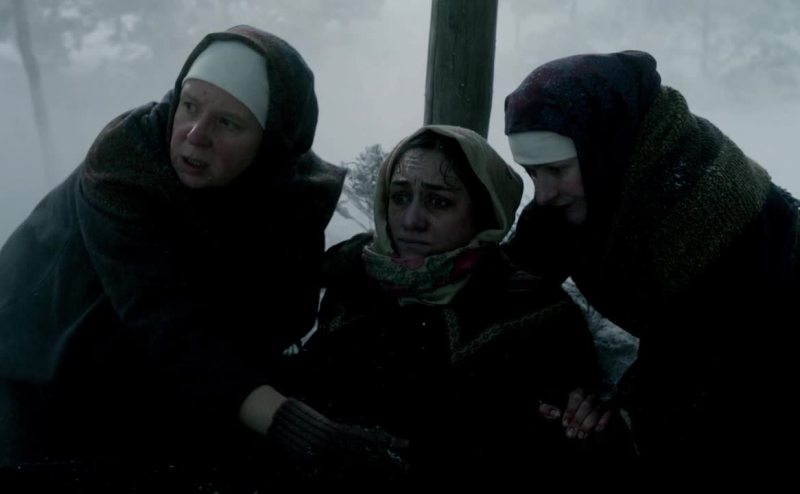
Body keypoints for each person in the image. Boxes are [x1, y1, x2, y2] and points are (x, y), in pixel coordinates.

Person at [0, 25, 357, 489]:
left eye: (227, 122)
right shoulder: (126, 162)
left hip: (156, 371)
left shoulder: (294, 192)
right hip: (41, 358)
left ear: (272, 141)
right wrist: (295, 426)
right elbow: (164, 322)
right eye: (189, 106)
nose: (195, 133)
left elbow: (283, 314)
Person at [266, 125, 629, 485]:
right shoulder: (353, 279)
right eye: (400, 197)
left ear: (484, 213)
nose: (411, 221)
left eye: (439, 202)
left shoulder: (534, 315)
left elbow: (556, 456)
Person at [503, 50, 800, 471]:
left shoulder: (704, 205)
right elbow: (516, 278)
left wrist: (617, 416)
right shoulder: (594, 177)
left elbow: (695, 356)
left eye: (555, 170)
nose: (544, 192)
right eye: (532, 173)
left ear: (600, 149)